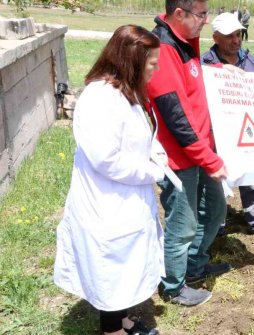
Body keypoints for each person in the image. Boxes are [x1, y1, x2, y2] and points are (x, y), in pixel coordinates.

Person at [53, 25, 163, 335]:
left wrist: (156, 155)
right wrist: (153, 171)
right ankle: (112, 331)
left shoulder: (125, 92)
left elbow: (139, 135)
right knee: (112, 269)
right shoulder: (100, 97)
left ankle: (124, 321)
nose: (155, 70)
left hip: (126, 200)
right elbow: (107, 160)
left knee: (123, 268)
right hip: (107, 204)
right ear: (132, 60)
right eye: (152, 63)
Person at [146, 0, 232, 307]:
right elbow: (175, 116)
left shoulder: (185, 42)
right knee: (182, 225)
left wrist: (220, 75)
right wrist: (208, 158)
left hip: (202, 151)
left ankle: (195, 267)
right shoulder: (163, 48)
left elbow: (193, 89)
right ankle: (173, 286)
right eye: (202, 15)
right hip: (180, 158)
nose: (206, 22)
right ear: (179, 14)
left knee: (215, 212)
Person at [201, 12, 254, 246]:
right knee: (218, 181)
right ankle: (218, 226)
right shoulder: (205, 64)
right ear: (215, 37)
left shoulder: (251, 62)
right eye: (229, 36)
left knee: (250, 178)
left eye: (238, 34)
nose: (236, 40)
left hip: (246, 132)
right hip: (217, 133)